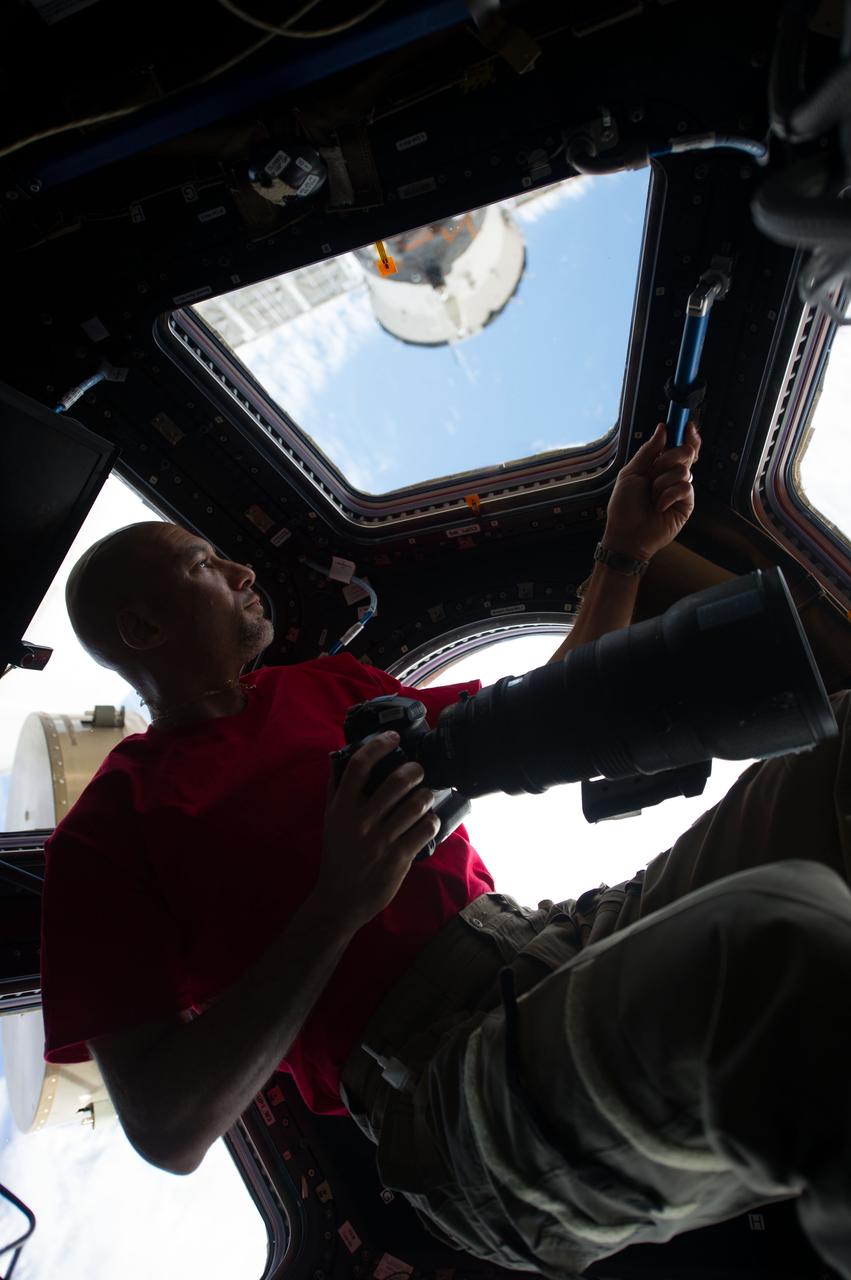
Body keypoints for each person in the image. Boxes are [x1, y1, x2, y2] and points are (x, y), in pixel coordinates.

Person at [39, 421, 851, 1278]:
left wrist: (622, 550)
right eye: (204, 565)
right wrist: (336, 905)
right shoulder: (104, 836)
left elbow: (553, 707)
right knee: (778, 944)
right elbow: (168, 1128)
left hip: (557, 945)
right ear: (142, 628)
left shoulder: (324, 688)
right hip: (446, 1087)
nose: (242, 571)